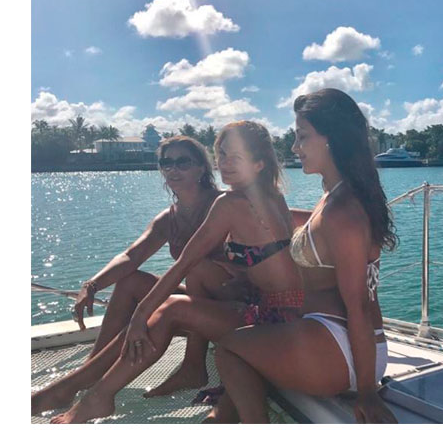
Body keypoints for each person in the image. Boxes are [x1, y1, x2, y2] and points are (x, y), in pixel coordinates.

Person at [35, 121, 303, 423]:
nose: (225, 163)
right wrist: (94, 285)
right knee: (156, 285)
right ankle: (93, 374)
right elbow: (136, 256)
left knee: (174, 303)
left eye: (235, 157)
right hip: (282, 311)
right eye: (222, 154)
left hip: (268, 317)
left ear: (258, 164)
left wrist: (139, 317)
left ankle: (97, 396)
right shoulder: (271, 195)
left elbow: (185, 263)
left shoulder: (228, 203)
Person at [212, 88, 398, 423]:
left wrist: (367, 393)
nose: (295, 148)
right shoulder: (337, 196)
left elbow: (357, 305)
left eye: (302, 136)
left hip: (342, 350)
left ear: (331, 139)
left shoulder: (342, 210)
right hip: (348, 346)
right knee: (250, 346)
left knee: (228, 347)